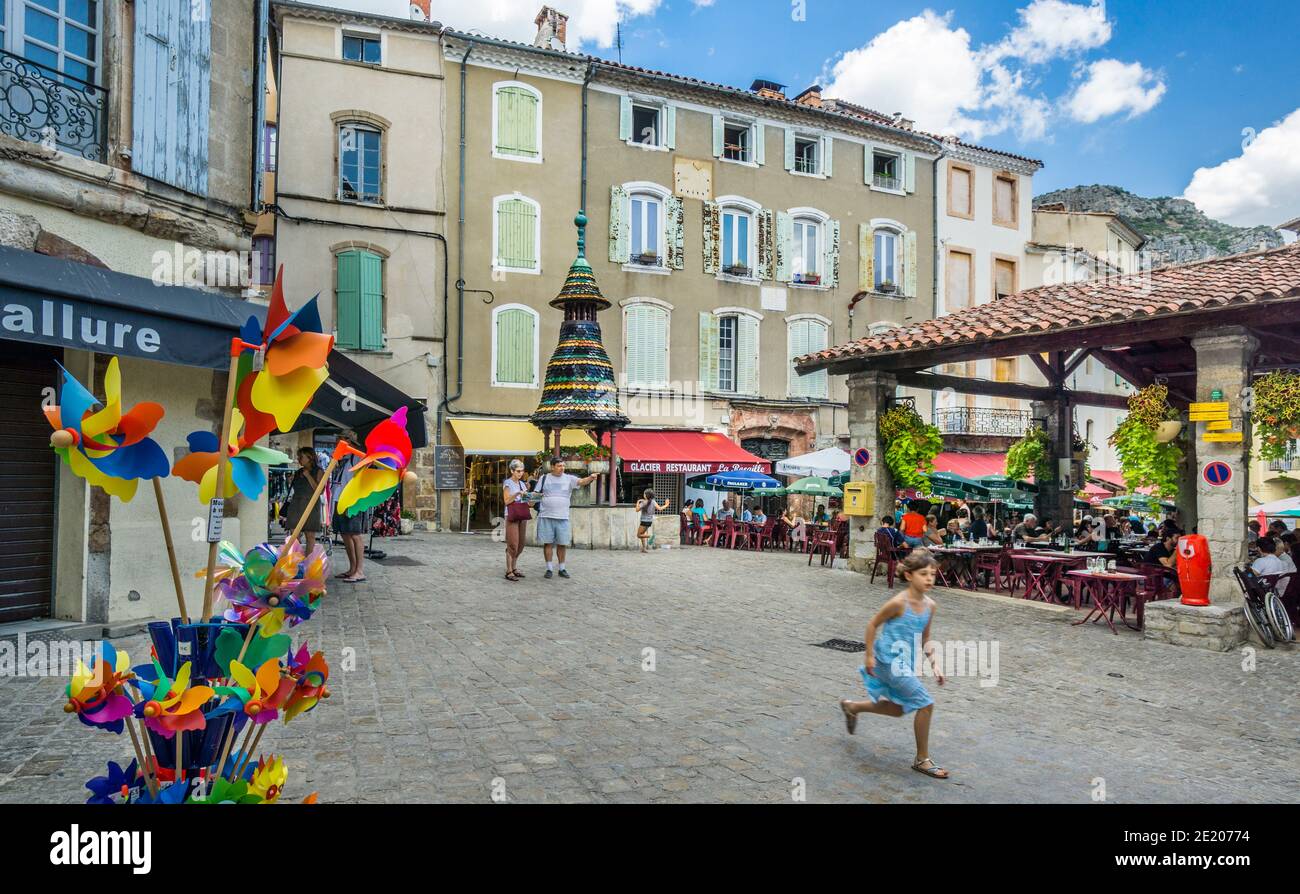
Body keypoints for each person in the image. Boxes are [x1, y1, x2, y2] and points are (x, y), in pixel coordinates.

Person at [838, 549, 948, 780]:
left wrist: (935, 665)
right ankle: (922, 760)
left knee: (898, 709)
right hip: (887, 661)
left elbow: (925, 639)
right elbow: (872, 625)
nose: (929, 578)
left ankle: (852, 707)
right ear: (909, 576)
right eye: (923, 574)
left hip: (904, 664)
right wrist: (868, 655)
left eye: (932, 574)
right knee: (925, 703)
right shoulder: (898, 603)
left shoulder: (930, 606)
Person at [533, 457, 599, 579]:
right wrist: (529, 501)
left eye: (563, 466)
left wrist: (591, 478)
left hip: (562, 517)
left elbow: (581, 481)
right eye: (559, 466)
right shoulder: (544, 478)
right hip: (546, 515)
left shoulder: (569, 478)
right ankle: (549, 568)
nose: (562, 468)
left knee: (562, 543)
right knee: (547, 543)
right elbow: (536, 494)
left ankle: (562, 568)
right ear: (552, 467)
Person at [332, 431, 369, 583]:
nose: (336, 445)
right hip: (340, 500)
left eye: (339, 441)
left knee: (355, 534)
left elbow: (362, 480)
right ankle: (352, 568)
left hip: (352, 501)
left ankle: (360, 570)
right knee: (345, 534)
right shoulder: (345, 459)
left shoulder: (358, 457)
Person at [283, 447, 324, 554]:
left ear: (310, 458)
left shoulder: (319, 471)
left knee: (309, 535)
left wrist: (308, 476)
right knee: (294, 534)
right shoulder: (298, 472)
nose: (299, 459)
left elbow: (320, 491)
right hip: (296, 504)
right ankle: (296, 559)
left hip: (311, 504)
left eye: (301, 457)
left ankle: (308, 562)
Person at [501, 459, 531, 581]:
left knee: (521, 544)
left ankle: (514, 567)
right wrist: (517, 493)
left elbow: (527, 502)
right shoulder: (507, 483)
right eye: (518, 471)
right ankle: (509, 570)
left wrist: (533, 498)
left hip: (522, 515)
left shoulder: (523, 484)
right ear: (512, 471)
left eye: (522, 471)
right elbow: (507, 501)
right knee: (513, 544)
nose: (520, 473)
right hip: (512, 515)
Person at [635, 489, 671, 554]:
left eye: (644, 494)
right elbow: (660, 508)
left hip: (644, 521)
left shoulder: (643, 502)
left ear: (646, 495)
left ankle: (651, 536)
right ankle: (644, 548)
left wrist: (638, 502)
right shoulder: (653, 502)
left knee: (639, 535)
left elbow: (637, 510)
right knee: (642, 534)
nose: (643, 495)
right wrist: (666, 505)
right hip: (649, 521)